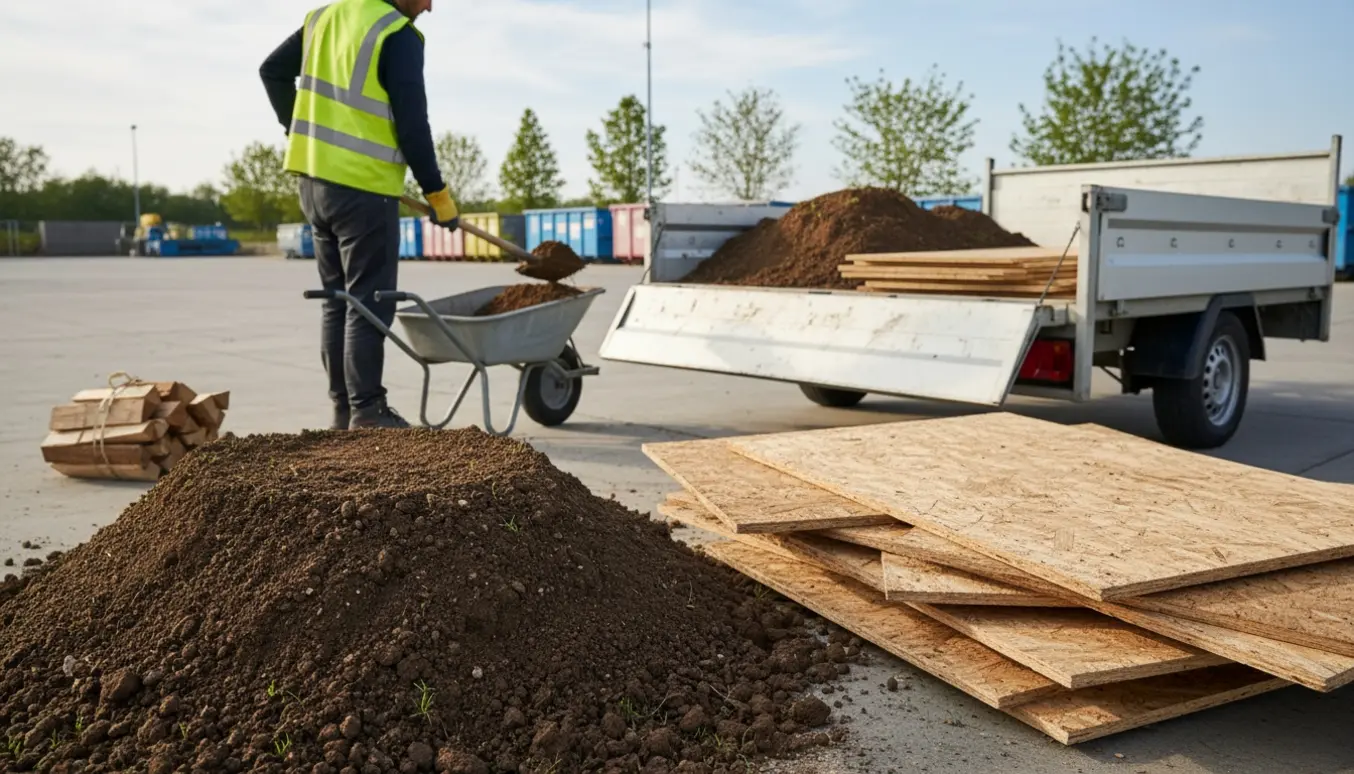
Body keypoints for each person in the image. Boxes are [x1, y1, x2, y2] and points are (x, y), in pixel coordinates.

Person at [259, 0, 459, 429]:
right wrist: (437, 194)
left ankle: (344, 409)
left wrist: (298, 130)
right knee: (368, 303)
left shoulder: (323, 19)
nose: (430, 7)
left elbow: (271, 71)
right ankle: (368, 409)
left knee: (338, 302)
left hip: (314, 185)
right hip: (364, 191)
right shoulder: (395, 33)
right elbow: (412, 124)